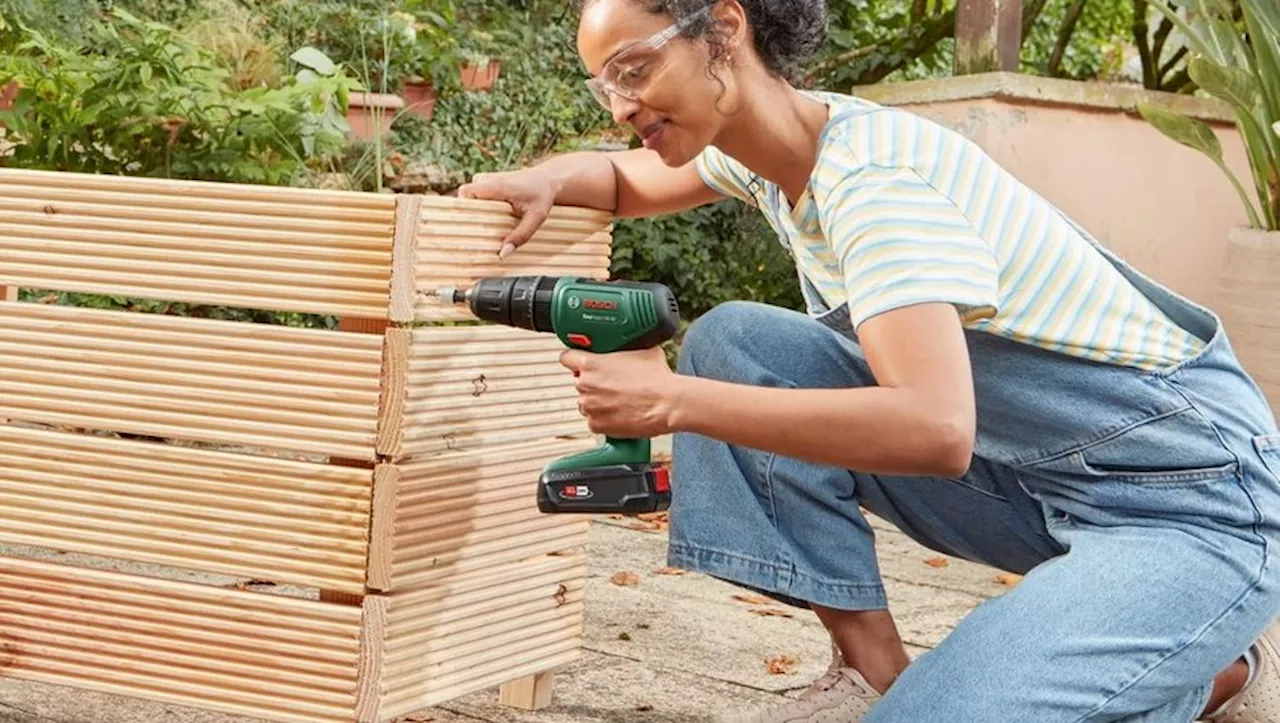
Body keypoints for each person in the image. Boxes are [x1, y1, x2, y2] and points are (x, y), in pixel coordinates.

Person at [455, 0, 1280, 720]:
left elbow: (935, 427)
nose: (622, 103)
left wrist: (672, 403)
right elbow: (625, 178)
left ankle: (1215, 670)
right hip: (1043, 479)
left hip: (1191, 505)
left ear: (724, 30)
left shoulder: (874, 181)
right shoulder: (773, 153)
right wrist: (547, 179)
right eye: (605, 84)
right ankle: (875, 674)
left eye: (634, 67)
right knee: (738, 345)